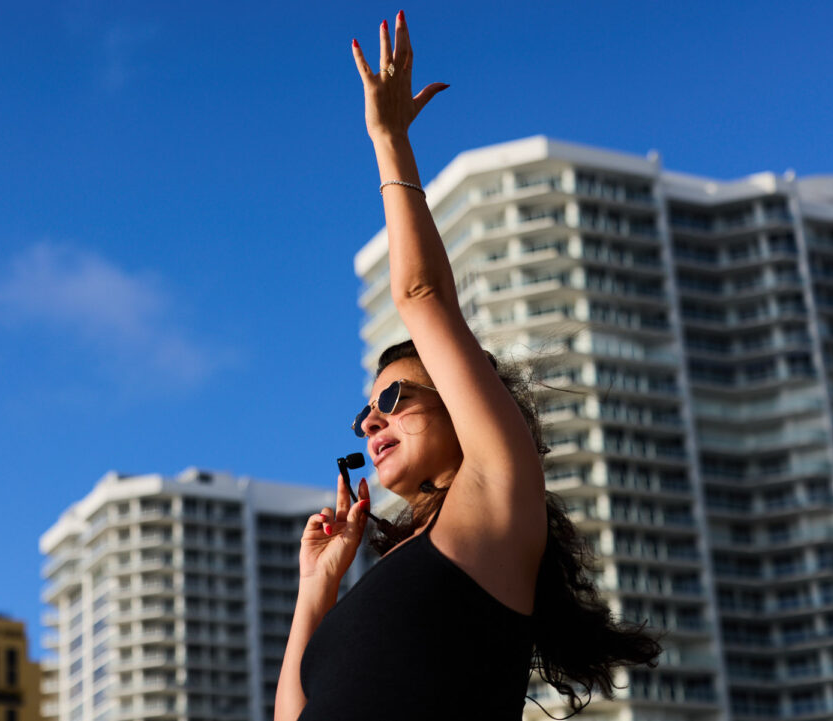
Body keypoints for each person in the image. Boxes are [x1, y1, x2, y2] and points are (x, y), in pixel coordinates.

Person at [274, 11, 662, 721]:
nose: (370, 419)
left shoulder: (494, 499)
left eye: (394, 396)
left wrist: (389, 141)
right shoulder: (400, 564)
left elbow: (421, 295)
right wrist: (316, 590)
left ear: (461, 401)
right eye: (365, 411)